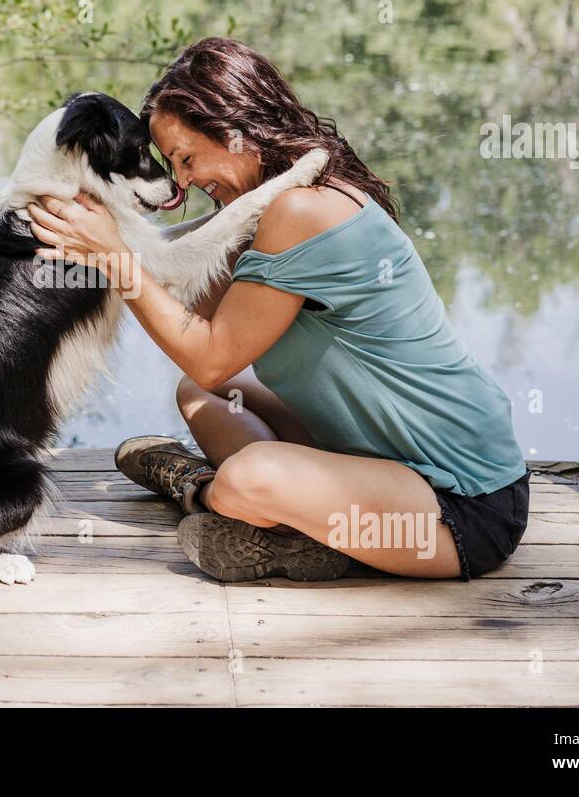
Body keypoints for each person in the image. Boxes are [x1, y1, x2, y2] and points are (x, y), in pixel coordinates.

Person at [26, 37, 530, 583]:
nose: (184, 181)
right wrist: (100, 242)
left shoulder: (302, 210)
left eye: (187, 158)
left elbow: (211, 354)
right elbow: (178, 293)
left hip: (460, 504)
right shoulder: (267, 213)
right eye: (172, 164)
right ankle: (295, 523)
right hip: (376, 468)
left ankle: (201, 489)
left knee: (251, 476)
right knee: (200, 396)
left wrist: (115, 257)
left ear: (238, 128)